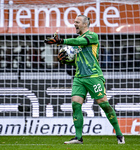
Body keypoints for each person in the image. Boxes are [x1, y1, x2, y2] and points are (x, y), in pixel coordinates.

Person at [45, 15, 125, 144]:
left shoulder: (92, 36)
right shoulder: (77, 41)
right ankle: (78, 137)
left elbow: (79, 42)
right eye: (74, 22)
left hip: (93, 77)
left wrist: (61, 41)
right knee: (76, 104)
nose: (74, 24)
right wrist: (65, 61)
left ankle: (119, 135)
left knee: (104, 104)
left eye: (77, 22)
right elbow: (78, 61)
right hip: (79, 77)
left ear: (85, 24)